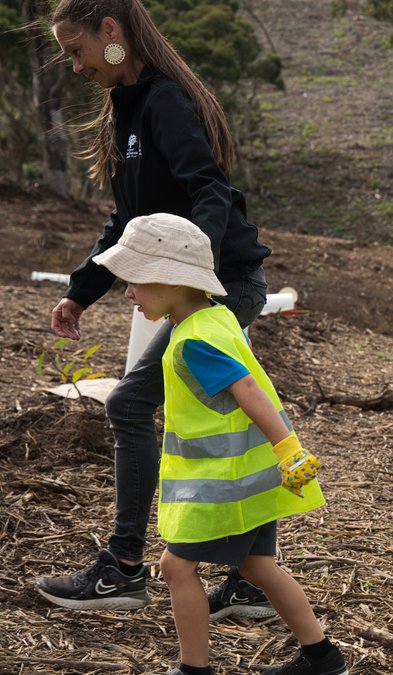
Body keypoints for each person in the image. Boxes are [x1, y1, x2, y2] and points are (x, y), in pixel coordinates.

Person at [36, 0, 274, 619]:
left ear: (109, 32)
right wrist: (80, 289)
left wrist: (201, 281)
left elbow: (209, 191)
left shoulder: (166, 101)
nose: (75, 64)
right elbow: (126, 222)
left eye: (75, 48)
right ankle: (253, 581)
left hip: (221, 286)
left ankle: (123, 569)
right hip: (192, 288)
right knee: (232, 420)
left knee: (130, 403)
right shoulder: (126, 109)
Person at [92, 213, 343, 675]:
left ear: (172, 280)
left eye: (135, 281)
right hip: (255, 479)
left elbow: (246, 389)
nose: (127, 292)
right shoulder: (220, 318)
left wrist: (289, 447)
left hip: (226, 488)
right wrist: (283, 452)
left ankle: (194, 669)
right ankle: (323, 659)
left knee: (175, 567)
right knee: (258, 567)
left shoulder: (193, 343)